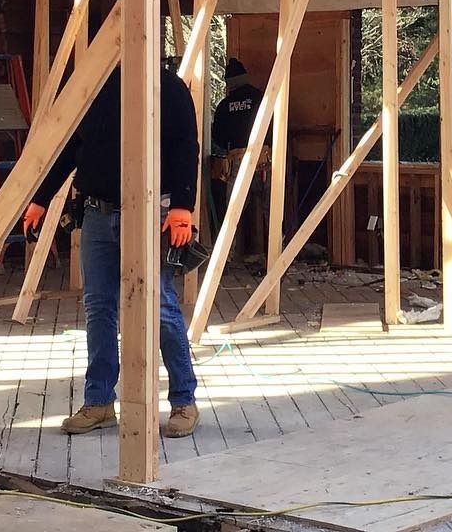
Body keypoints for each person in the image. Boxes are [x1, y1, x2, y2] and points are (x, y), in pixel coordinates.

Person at [22, 61, 201, 438]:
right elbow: (72, 147)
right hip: (97, 213)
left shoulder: (167, 86)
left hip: (152, 212)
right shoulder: (95, 87)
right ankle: (99, 401)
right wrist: (41, 198)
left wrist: (183, 205)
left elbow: (186, 146)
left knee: (160, 305)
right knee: (98, 306)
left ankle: (184, 401)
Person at [209, 58, 269, 254]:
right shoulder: (260, 98)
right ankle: (276, 253)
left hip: (239, 160)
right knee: (271, 208)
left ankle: (226, 255)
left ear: (229, 84)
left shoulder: (225, 105)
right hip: (266, 160)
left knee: (232, 209)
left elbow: (217, 136)